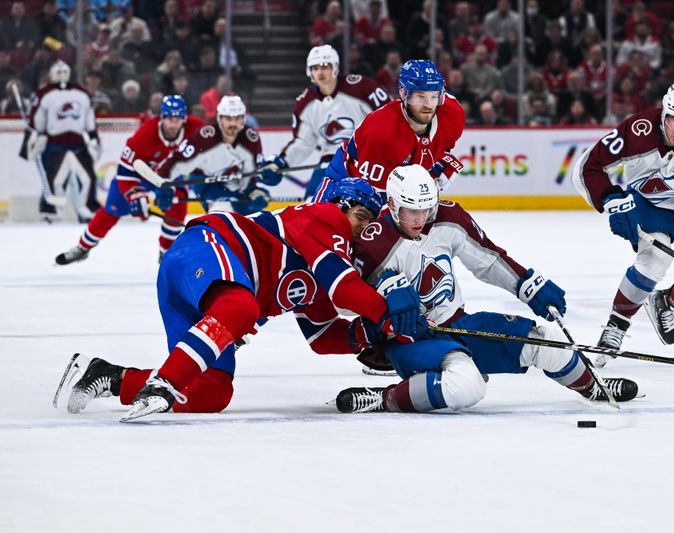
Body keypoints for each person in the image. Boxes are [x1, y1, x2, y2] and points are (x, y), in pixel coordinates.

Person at [57, 178, 429, 421]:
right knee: (241, 307)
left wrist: (367, 338)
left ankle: (107, 376)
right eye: (360, 216)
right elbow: (345, 288)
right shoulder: (324, 217)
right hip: (206, 248)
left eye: (369, 222)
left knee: (212, 392)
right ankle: (164, 383)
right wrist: (388, 316)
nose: (365, 229)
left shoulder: (325, 268)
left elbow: (322, 338)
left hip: (192, 291)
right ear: (339, 205)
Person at [335, 165, 638, 413]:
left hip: (460, 325)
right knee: (467, 386)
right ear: (392, 205)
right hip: (411, 339)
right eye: (411, 211)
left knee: (545, 342)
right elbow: (342, 299)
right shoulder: (371, 242)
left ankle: (592, 385)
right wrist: (384, 289)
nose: (421, 219)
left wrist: (525, 285)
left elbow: (487, 260)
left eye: (426, 208)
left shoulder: (447, 218)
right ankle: (386, 398)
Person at [571, 82, 674, 366]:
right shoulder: (637, 130)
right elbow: (588, 166)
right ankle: (615, 327)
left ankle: (667, 302)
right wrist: (612, 201)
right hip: (648, 206)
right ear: (664, 115)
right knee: (653, 261)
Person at [54, 95, 206, 266]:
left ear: (184, 119)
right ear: (161, 117)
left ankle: (166, 253)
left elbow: (215, 145)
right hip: (137, 175)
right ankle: (83, 247)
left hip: (167, 176)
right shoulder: (145, 134)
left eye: (178, 119)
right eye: (169, 118)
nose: (173, 124)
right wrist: (134, 195)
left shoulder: (196, 128)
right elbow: (125, 170)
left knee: (177, 203)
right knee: (111, 211)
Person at [315, 59, 466, 199]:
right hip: (349, 180)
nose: (428, 105)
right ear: (403, 94)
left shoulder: (452, 114)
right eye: (420, 96)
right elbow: (373, 197)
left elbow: (444, 145)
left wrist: (440, 161)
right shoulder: (381, 133)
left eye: (434, 96)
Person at [261, 44, 390, 199]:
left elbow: (389, 118)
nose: (320, 72)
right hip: (329, 164)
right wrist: (281, 162)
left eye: (324, 66)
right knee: (311, 205)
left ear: (335, 67)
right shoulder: (305, 103)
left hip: (364, 161)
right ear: (309, 72)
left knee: (367, 206)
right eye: (315, 68)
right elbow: (303, 142)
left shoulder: (362, 88)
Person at [153, 94, 276, 215]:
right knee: (222, 210)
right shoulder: (205, 136)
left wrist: (255, 191)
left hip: (234, 183)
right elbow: (176, 160)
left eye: (237, 118)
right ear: (220, 118)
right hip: (205, 182)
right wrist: (163, 185)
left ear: (243, 119)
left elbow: (253, 173)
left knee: (253, 216)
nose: (233, 124)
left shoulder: (251, 139)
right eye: (228, 119)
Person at [18, 60, 101, 223]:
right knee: (54, 178)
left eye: (64, 72)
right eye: (59, 72)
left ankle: (88, 209)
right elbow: (37, 120)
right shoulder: (44, 94)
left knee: (87, 177)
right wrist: (32, 140)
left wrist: (93, 139)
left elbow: (89, 119)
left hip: (78, 143)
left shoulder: (81, 93)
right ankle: (51, 211)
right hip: (54, 143)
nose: (62, 75)